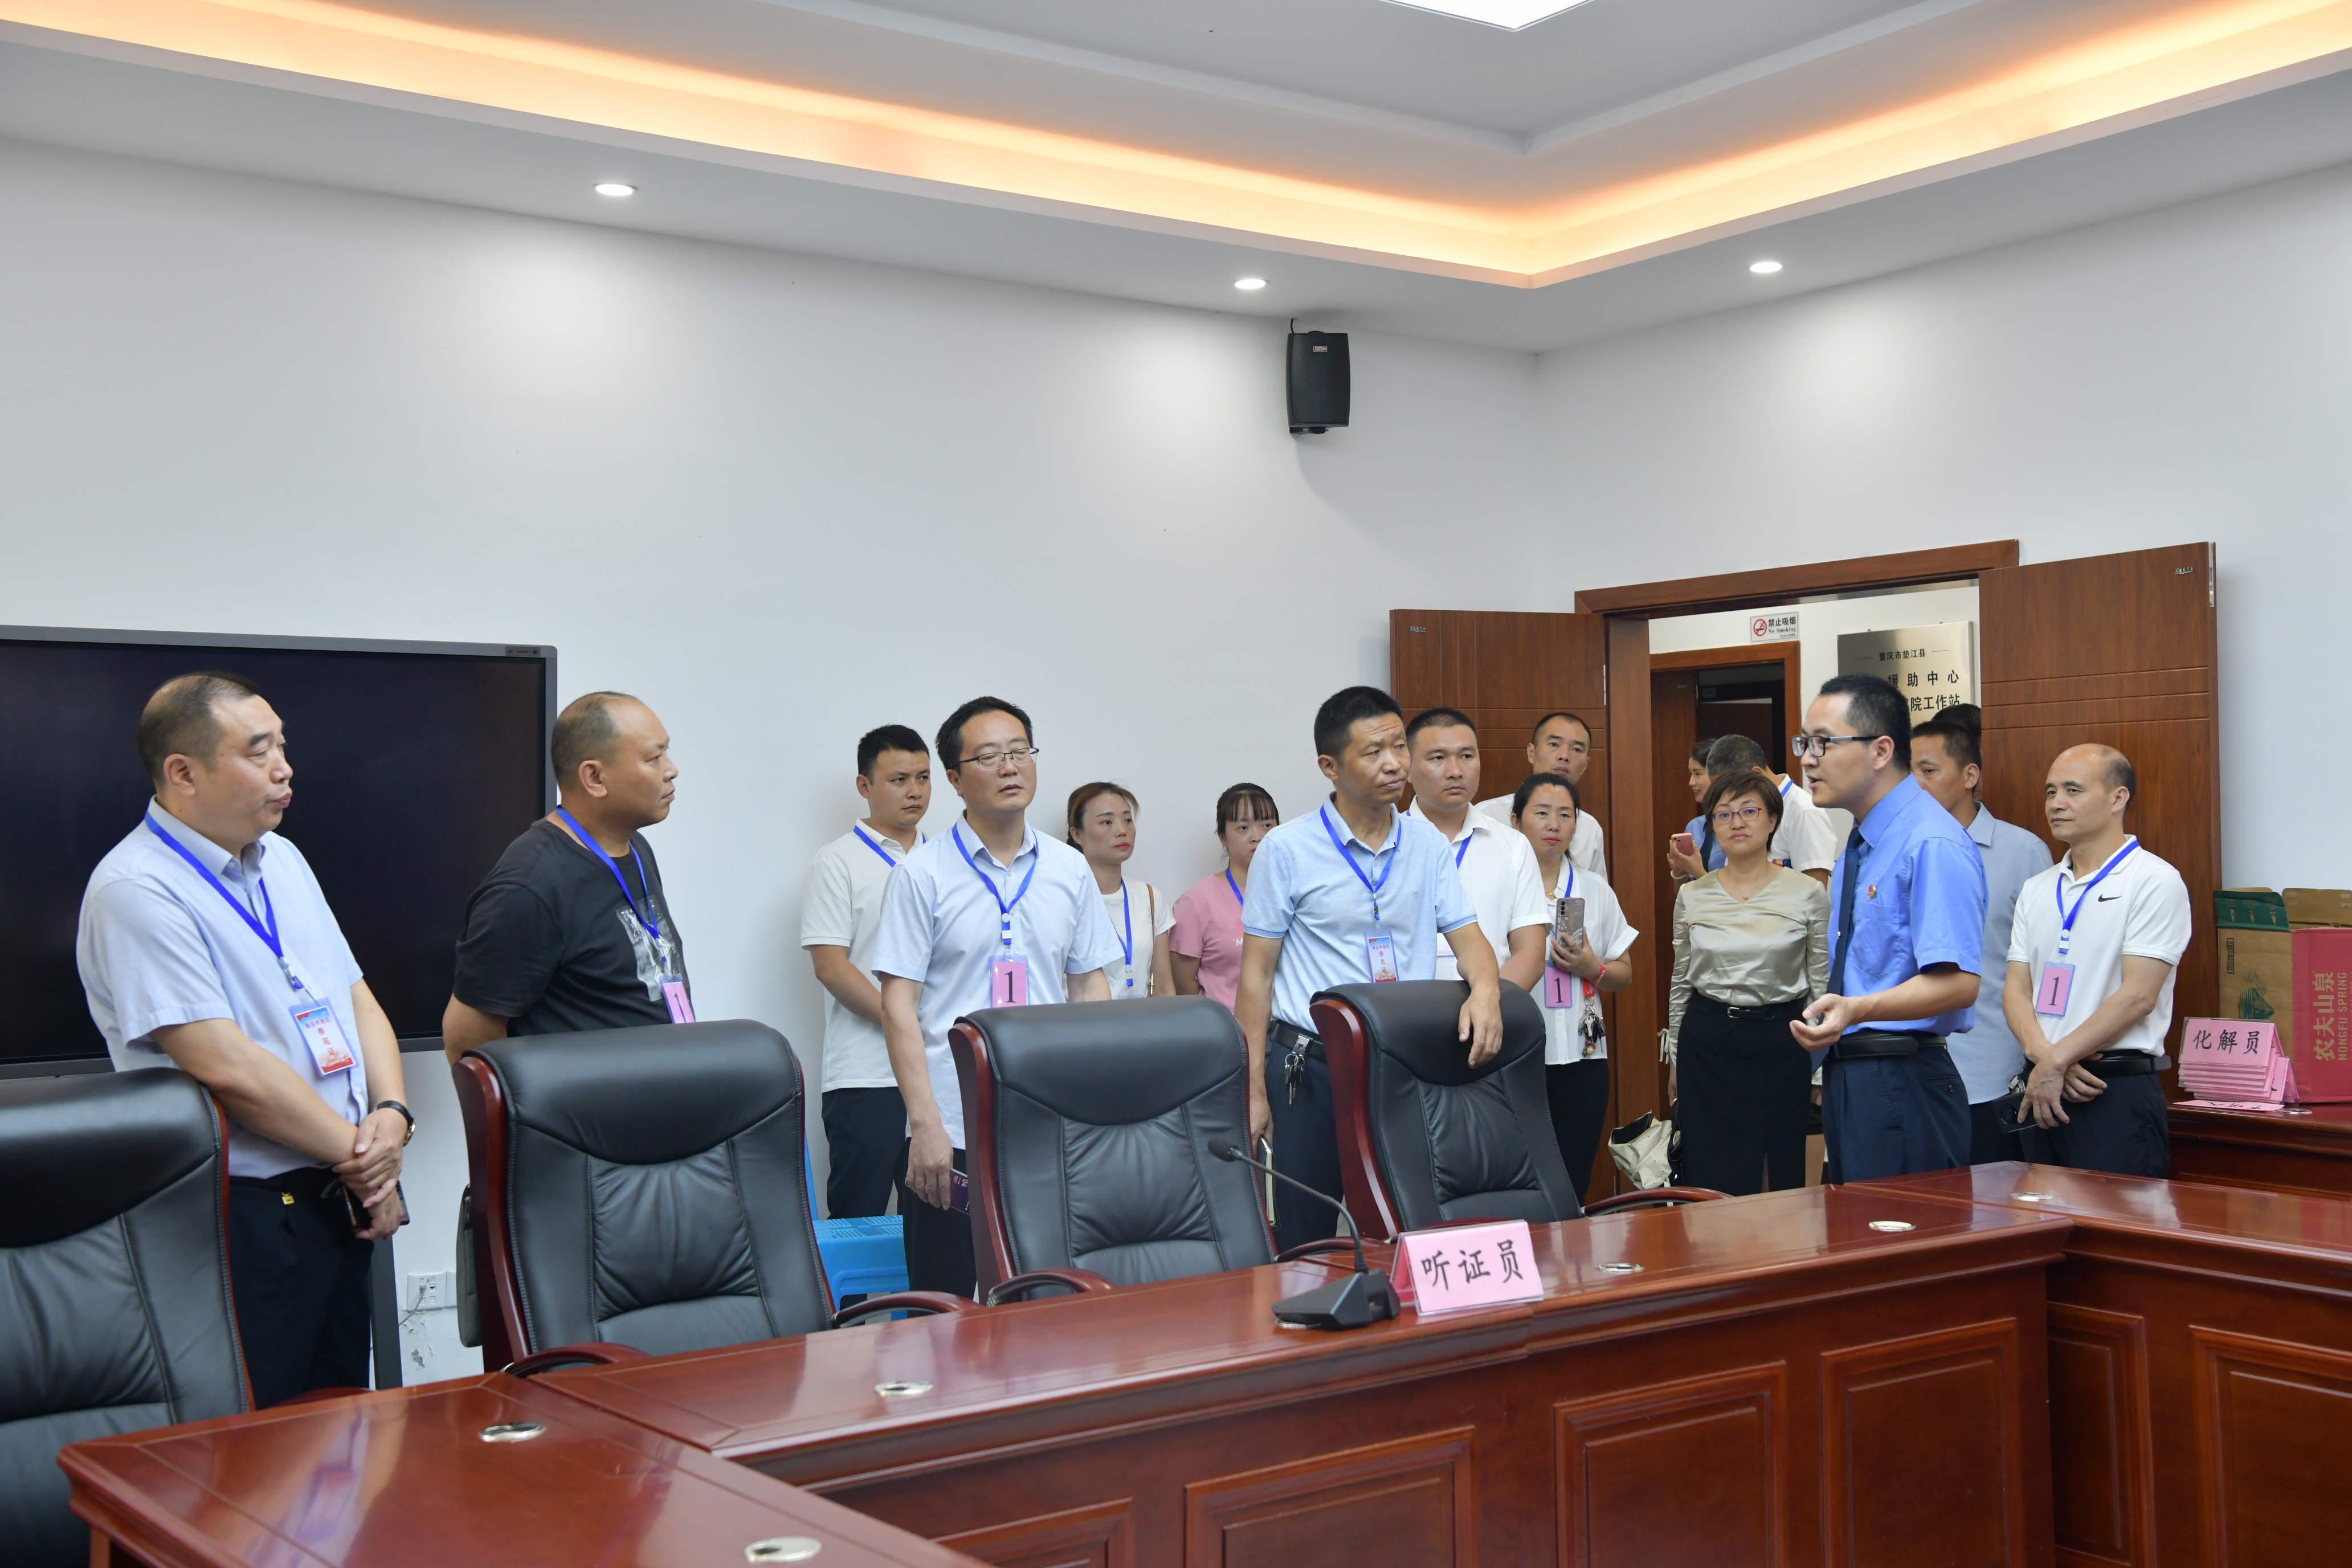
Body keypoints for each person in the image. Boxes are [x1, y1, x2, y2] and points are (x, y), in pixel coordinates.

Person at [77, 673, 409, 1407]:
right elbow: (226, 1067)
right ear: (184, 772)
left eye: (282, 746)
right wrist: (367, 1167)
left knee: (339, 1426)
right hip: (246, 1212)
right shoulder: (137, 889)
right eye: (259, 752)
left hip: (336, 1190)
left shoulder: (282, 857)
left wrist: (393, 1112)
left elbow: (356, 997)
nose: (284, 768)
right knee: (258, 1439)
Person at [1234, 686, 1502, 1249]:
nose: (1394, 764)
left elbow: (1470, 938)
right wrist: (1253, 1087)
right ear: (1330, 766)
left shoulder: (1426, 843)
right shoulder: (1287, 848)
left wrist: (1485, 991)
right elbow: (1256, 976)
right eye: (1374, 751)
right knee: (1308, 1235)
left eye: (1399, 746)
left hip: (1401, 1063)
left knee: (1409, 1224)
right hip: (1310, 1066)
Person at [872, 696, 1121, 1296]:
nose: (1010, 767)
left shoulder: (1069, 869)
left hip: (1049, 1120)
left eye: (1019, 751)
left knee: (1054, 1295)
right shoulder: (922, 874)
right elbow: (898, 1006)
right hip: (953, 1126)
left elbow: (1089, 986)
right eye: (989, 757)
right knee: (947, 1302)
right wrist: (925, 1125)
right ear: (955, 779)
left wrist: (1100, 1109)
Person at [1789, 674, 1987, 1182]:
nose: (1807, 759)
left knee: (1904, 1230)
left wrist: (1856, 1009)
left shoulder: (1930, 841)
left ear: (1880, 751)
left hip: (1903, 1078)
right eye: (1804, 743)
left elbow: (1959, 984)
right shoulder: (1863, 842)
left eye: (1823, 743)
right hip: (1854, 1074)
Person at [444, 691, 689, 1060]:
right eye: (654, 758)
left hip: (666, 1086)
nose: (671, 769)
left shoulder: (634, 848)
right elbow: (467, 1037)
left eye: (666, 752)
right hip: (595, 1099)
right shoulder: (529, 887)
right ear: (595, 777)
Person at [2004, 745, 2191, 1177]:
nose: (2056, 803)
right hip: (2041, 1084)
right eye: (2051, 792)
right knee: (2039, 1214)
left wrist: (2057, 1060)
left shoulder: (2154, 880)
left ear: (2117, 798)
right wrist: (2046, 1058)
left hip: (2111, 1089)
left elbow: (2139, 996)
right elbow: (2016, 988)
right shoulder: (2038, 887)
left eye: (2073, 790)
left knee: (2117, 1218)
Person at [1666, 767, 1831, 1195]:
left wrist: (1818, 1069)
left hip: (1782, 1042)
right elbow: (1681, 982)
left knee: (1777, 1175)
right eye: (1723, 815)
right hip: (1707, 1043)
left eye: (1749, 811)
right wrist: (1676, 1058)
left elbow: (1819, 983)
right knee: (1711, 1173)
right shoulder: (1692, 895)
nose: (1736, 823)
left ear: (1773, 820)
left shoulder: (1807, 893)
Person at [800, 725, 932, 1220]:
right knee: (858, 1220)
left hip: (939, 1072)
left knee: (941, 1221)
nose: (914, 791)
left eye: (923, 778)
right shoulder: (837, 861)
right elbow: (831, 967)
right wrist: (905, 1023)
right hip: (866, 1076)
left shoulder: (946, 860)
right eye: (899, 779)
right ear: (865, 785)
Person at [1910, 708, 2052, 1163]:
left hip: (1994, 1074)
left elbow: (2047, 968)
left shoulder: (2023, 852)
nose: (1916, 785)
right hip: (1913, 1075)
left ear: (1970, 776)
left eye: (1929, 771)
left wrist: (2044, 1059)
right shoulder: (1900, 851)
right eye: (1909, 773)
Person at [1509, 771, 1635, 1199]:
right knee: (1518, 1185)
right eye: (1542, 813)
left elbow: (1624, 974)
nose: (1554, 824)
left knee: (1570, 1186)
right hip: (1515, 1059)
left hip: (1583, 1059)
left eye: (1566, 815)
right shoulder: (1499, 887)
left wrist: (1590, 967)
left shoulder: (1594, 889)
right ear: (1516, 821)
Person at [1403, 708, 1548, 993]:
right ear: (1407, 768)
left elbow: (1530, 955)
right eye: (1438, 758)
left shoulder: (1514, 845)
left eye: (1467, 756)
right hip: (1402, 1012)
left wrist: (1485, 1004)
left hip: (1493, 1010)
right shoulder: (1385, 845)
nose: (1455, 771)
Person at [1667, 734, 1836, 885]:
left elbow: (1814, 894)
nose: (1722, 796)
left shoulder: (1804, 812)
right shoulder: (1735, 818)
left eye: (1730, 787)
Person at [1171, 783, 1279, 1011]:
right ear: (1223, 838)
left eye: (1267, 825)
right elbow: (1182, 982)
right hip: (1231, 1027)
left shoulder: (1293, 892)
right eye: (1243, 827)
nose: (1258, 837)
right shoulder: (1197, 902)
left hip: (1290, 1027)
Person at [1067, 782, 1175, 1001]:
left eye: (1128, 820)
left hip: (1142, 1021)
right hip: (1080, 1020)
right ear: (1078, 835)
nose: (1122, 831)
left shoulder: (1150, 897)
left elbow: (1164, 990)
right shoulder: (1063, 899)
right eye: (1107, 822)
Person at [1476, 712, 1607, 876]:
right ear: (1531, 752)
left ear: (1586, 765)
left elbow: (1595, 889)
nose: (1565, 756)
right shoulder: (1487, 815)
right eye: (1554, 744)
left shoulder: (1590, 828)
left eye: (1576, 749)